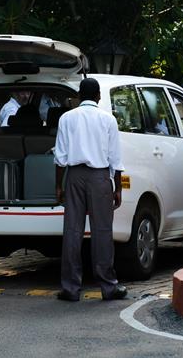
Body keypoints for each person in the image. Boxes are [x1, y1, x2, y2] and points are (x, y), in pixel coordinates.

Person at [53, 78, 127, 302]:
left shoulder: (67, 118)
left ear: (79, 95)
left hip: (74, 175)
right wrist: (117, 187)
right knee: (102, 231)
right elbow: (116, 157)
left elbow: (60, 156)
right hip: (100, 176)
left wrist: (59, 184)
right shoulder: (108, 119)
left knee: (72, 232)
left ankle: (70, 287)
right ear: (98, 97)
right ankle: (108, 286)